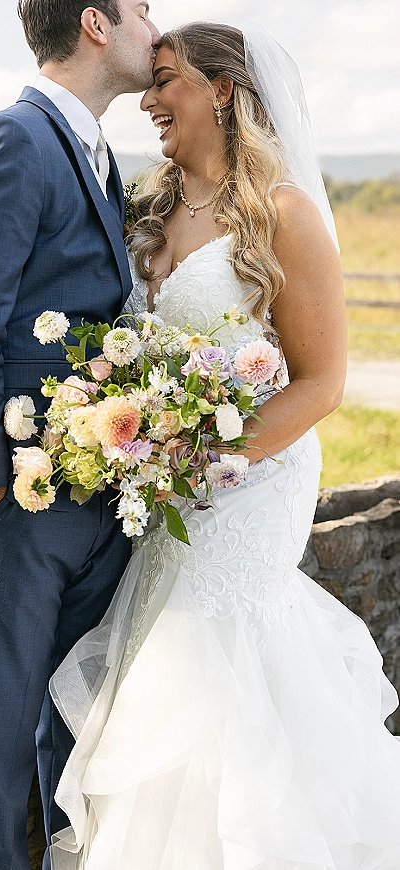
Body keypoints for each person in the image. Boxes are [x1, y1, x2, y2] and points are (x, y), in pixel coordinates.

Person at [48, 22, 400, 870]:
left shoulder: (283, 213)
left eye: (164, 80)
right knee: (162, 656)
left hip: (254, 482)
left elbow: (320, 384)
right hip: (170, 486)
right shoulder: (149, 206)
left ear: (222, 91)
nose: (145, 99)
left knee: (207, 658)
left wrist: (207, 458)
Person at [0, 2, 160, 868]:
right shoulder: (12, 140)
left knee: (74, 727)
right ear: (95, 23)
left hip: (96, 492)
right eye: (141, 11)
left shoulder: (97, 153)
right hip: (16, 498)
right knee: (4, 733)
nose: (154, 31)